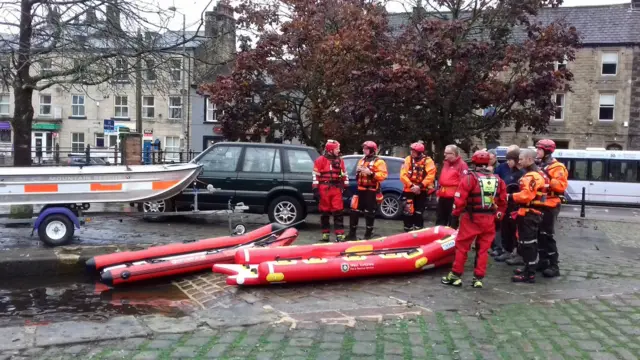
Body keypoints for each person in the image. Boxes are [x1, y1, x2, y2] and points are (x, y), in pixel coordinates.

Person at [441, 150, 507, 288]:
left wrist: (455, 216)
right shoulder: (498, 180)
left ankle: (456, 275)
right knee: (483, 250)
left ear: (475, 162)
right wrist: (498, 216)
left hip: (471, 218)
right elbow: (503, 202)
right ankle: (478, 278)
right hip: (488, 220)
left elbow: (459, 200)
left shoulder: (470, 178)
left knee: (462, 247)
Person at [509, 149, 546, 283]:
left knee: (527, 244)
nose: (519, 162)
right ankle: (528, 268)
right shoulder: (536, 174)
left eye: (521, 159)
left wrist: (510, 196)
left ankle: (529, 274)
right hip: (531, 213)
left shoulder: (531, 176)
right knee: (528, 243)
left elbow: (526, 196)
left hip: (529, 214)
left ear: (529, 159)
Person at [535, 139, 568, 278]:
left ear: (547, 151)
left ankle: (554, 265)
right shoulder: (538, 165)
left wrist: (546, 176)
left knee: (547, 235)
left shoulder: (557, 167)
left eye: (539, 149)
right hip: (539, 204)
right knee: (539, 235)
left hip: (551, 204)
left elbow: (561, 186)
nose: (537, 151)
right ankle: (543, 260)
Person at [347, 141, 388, 240]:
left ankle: (368, 235)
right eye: (364, 148)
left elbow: (383, 176)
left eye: (366, 149)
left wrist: (371, 173)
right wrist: (358, 172)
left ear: (372, 150)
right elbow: (358, 176)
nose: (363, 150)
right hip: (360, 189)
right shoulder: (362, 160)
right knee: (354, 210)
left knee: (369, 213)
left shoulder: (379, 162)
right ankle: (352, 235)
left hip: (371, 190)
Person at [312, 139, 350, 242]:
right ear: (330, 150)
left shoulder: (340, 161)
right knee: (324, 213)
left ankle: (340, 235)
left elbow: (344, 175)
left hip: (336, 189)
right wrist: (315, 189)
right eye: (337, 148)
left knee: (338, 212)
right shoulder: (320, 160)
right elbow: (315, 176)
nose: (339, 150)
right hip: (324, 189)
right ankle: (325, 235)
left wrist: (346, 186)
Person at [494, 147, 525, 263]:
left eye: (510, 160)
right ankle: (507, 250)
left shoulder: (522, 174)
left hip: (515, 206)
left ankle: (515, 252)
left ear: (516, 160)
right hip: (506, 204)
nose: (508, 162)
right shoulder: (510, 172)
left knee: (514, 230)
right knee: (505, 228)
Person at [400, 142, 436, 232]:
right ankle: (407, 231)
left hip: (421, 190)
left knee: (418, 212)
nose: (412, 152)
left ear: (419, 152)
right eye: (411, 150)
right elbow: (403, 175)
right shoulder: (408, 159)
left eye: (414, 151)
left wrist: (419, 186)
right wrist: (412, 186)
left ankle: (418, 231)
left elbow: (430, 176)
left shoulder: (428, 161)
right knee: (407, 212)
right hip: (409, 189)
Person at [435, 144, 468, 228]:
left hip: (453, 197)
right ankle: (439, 237)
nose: (444, 154)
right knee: (440, 220)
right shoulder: (446, 164)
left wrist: (459, 199)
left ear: (453, 154)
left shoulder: (462, 165)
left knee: (452, 220)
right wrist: (438, 193)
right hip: (443, 196)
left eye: (447, 153)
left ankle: (451, 238)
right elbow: (442, 180)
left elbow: (463, 183)